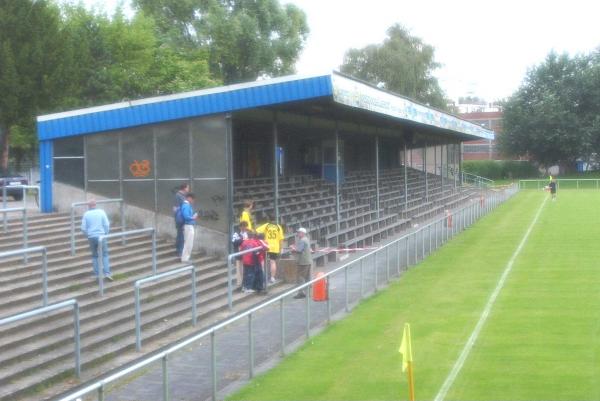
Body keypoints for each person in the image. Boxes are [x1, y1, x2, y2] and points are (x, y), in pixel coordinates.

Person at [81, 199, 112, 281]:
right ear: (95, 205)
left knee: (94, 255)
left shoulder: (86, 214)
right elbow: (106, 224)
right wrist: (106, 233)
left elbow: (83, 228)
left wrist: (87, 235)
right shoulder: (101, 212)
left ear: (88, 206)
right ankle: (107, 273)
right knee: (105, 254)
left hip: (91, 237)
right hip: (101, 236)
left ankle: (97, 274)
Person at [255, 213, 284, 284]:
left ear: (269, 219)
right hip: (275, 247)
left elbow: (257, 231)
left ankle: (263, 276)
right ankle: (272, 277)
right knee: (272, 262)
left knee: (263, 261)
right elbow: (281, 239)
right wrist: (281, 248)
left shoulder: (267, 225)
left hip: (266, 246)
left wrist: (260, 238)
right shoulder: (278, 227)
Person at [290, 227, 312, 299]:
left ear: (302, 233)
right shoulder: (306, 239)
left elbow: (299, 250)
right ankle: (308, 292)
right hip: (308, 261)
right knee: (307, 277)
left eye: (299, 232)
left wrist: (293, 248)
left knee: (300, 277)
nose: (297, 234)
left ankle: (301, 292)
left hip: (303, 261)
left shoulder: (302, 240)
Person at [231, 221, 250, 291]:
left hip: (247, 254)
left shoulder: (247, 233)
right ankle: (239, 283)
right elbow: (233, 242)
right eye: (243, 226)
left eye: (245, 226)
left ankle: (245, 282)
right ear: (240, 227)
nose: (244, 228)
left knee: (245, 269)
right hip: (239, 253)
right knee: (239, 268)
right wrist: (242, 239)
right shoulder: (236, 233)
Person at [180, 193, 198, 263]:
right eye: (193, 199)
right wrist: (193, 217)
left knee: (188, 242)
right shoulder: (186, 205)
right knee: (188, 242)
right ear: (189, 198)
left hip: (188, 225)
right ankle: (185, 258)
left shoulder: (185, 205)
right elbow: (186, 216)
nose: (193, 201)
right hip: (188, 225)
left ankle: (185, 258)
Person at [173, 183, 189, 257]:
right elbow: (177, 208)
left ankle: (179, 250)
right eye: (187, 188)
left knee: (181, 234)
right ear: (184, 188)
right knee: (181, 235)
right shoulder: (179, 196)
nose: (188, 189)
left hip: (181, 218)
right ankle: (179, 251)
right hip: (180, 218)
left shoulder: (182, 196)